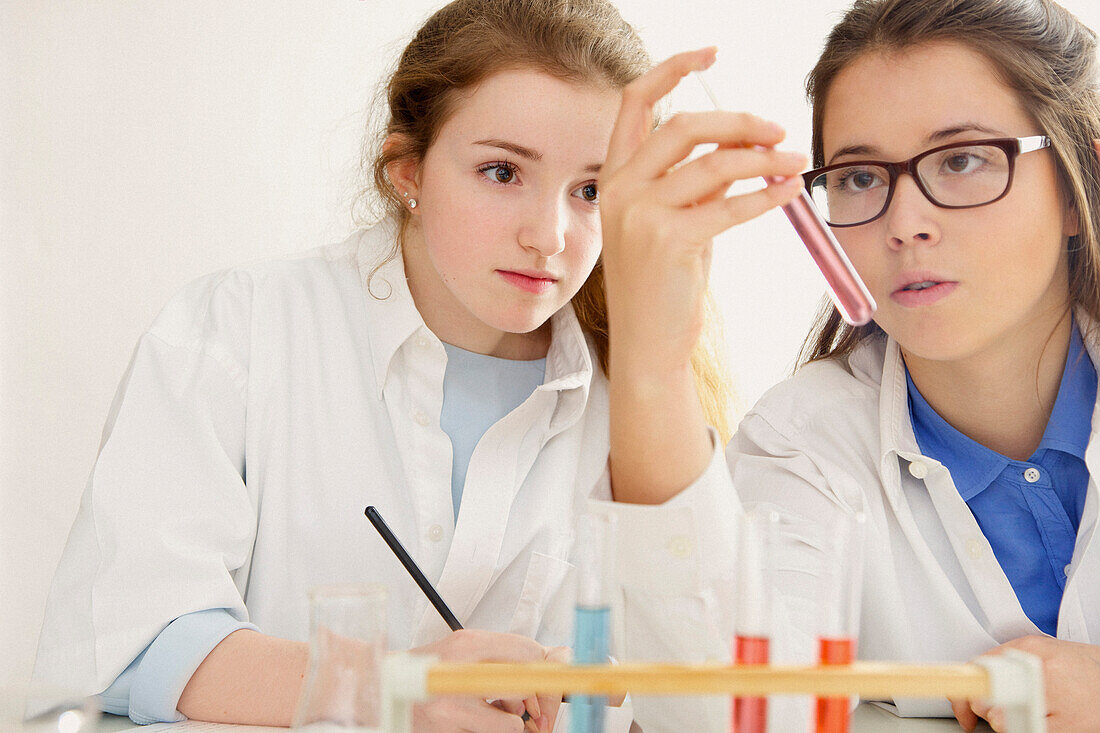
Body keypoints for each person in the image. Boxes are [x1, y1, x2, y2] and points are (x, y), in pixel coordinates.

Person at [29, 2, 807, 732]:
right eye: (502, 172)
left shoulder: (636, 394)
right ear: (407, 172)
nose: (549, 234)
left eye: (591, 189)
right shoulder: (238, 330)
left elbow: (721, 700)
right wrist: (388, 686)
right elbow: (130, 642)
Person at [599, 0, 1100, 730]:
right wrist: (648, 355)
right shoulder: (806, 443)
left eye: (961, 160)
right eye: (862, 178)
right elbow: (722, 714)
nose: (905, 224)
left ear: (1079, 176)